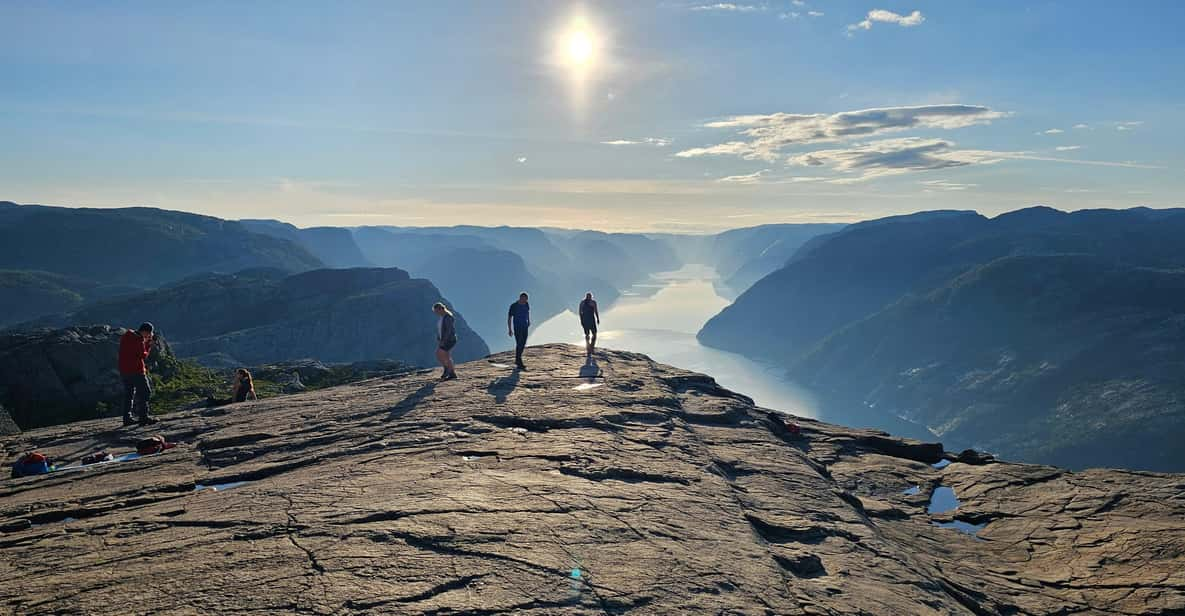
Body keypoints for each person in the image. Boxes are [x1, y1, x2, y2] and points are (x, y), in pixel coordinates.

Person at [118, 322, 158, 426]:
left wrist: (144, 342)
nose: (148, 336)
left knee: (129, 394)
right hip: (136, 370)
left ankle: (127, 418)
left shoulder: (127, 336)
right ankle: (143, 417)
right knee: (145, 392)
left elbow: (132, 351)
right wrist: (148, 344)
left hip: (124, 370)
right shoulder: (138, 339)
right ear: (145, 331)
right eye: (148, 334)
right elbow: (142, 355)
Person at [434, 302, 458, 380]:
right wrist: (439, 337)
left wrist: (444, 340)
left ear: (441, 309)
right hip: (446, 339)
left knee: (439, 354)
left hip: (449, 340)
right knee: (446, 356)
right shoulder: (442, 317)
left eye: (436, 311)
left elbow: (449, 330)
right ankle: (452, 374)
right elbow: (441, 329)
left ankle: (447, 369)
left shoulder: (448, 317)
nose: (436, 313)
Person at [507, 292, 530, 370]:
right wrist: (510, 329)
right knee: (519, 343)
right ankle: (518, 361)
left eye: (526, 300)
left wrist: (529, 321)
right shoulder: (514, 306)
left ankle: (518, 359)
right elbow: (509, 318)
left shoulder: (526, 304)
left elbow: (528, 312)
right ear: (520, 298)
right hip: (517, 327)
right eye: (524, 299)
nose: (525, 301)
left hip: (525, 327)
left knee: (523, 343)